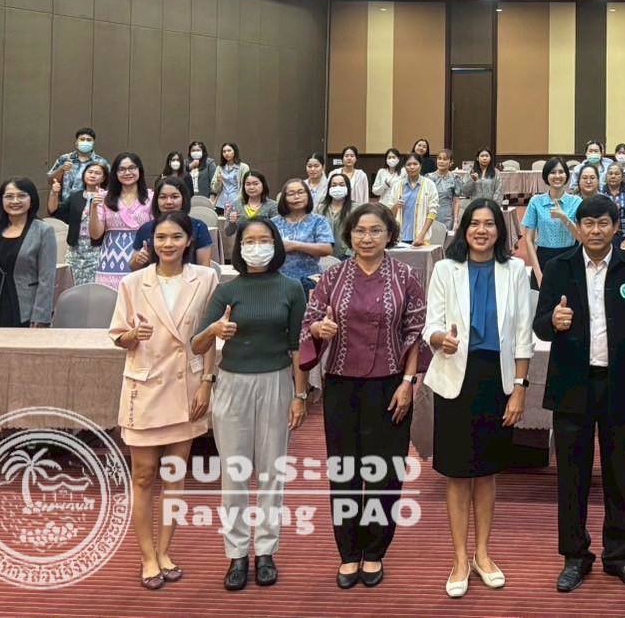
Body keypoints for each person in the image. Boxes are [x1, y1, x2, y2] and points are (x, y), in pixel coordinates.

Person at [534, 193, 625, 593]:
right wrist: (553, 320)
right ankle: (575, 556)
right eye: (588, 223)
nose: (595, 230)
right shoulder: (559, 268)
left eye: (603, 223)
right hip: (573, 384)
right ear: (578, 227)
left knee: (621, 474)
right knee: (572, 476)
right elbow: (539, 326)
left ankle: (620, 555)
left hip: (620, 386)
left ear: (616, 227)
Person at [300, 203, 427, 589]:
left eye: (375, 231)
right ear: (349, 235)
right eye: (359, 231)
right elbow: (309, 322)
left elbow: (415, 333)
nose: (366, 238)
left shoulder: (405, 276)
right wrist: (319, 329)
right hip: (342, 384)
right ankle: (348, 551)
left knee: (386, 471)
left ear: (389, 235)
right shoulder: (332, 276)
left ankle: (374, 550)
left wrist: (408, 383)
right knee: (344, 471)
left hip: (390, 385)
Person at [424, 198, 532, 598]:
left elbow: (523, 334)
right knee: (457, 473)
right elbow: (431, 325)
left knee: (486, 472)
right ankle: (459, 558)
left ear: (500, 231)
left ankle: (483, 554)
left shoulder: (515, 270)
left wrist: (519, 388)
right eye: (474, 223)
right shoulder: (445, 269)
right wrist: (441, 338)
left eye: (489, 224)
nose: (482, 230)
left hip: (496, 379)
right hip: (456, 376)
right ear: (463, 229)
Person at [195, 218, 307, 592]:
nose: (257, 246)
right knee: (235, 473)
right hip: (232, 383)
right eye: (249, 240)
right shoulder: (227, 289)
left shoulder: (292, 288)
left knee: (273, 472)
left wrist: (300, 395)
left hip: (276, 381)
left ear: (276, 244)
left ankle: (266, 551)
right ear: (239, 247)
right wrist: (215, 331)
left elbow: (297, 347)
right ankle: (237, 553)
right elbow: (196, 343)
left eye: (264, 239)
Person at [109, 211, 218, 589]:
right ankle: (147, 556)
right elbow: (118, 335)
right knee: (143, 475)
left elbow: (208, 337)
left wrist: (207, 382)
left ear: (189, 241)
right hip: (146, 386)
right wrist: (132, 336)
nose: (167, 244)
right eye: (160, 237)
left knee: (174, 474)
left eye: (175, 237)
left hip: (186, 387)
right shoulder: (132, 282)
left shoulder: (205, 278)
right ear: (151, 241)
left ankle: (165, 550)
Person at [0, 179, 58, 327]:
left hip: (26, 310)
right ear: (1, 200)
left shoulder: (43, 231)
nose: (15, 201)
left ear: (31, 199)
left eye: (21, 196)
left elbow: (47, 279)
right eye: (9, 196)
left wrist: (41, 316)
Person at [91, 152, 156, 289]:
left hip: (141, 260)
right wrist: (94, 208)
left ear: (139, 170)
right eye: (121, 169)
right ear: (115, 173)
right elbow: (96, 235)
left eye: (132, 168)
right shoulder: (104, 198)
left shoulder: (151, 198)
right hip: (109, 263)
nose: (127, 172)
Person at [129, 177, 215, 269]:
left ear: (183, 199)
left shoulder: (198, 227)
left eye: (175, 197)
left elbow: (204, 268)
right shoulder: (146, 229)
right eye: (163, 197)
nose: (169, 202)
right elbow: (133, 267)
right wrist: (138, 260)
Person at [519, 157, 582, 281]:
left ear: (566, 175)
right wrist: (538, 273)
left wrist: (564, 217)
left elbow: (581, 237)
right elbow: (529, 239)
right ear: (546, 176)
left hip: (570, 257)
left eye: (561, 172)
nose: (557, 176)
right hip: (543, 258)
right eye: (553, 172)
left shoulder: (576, 201)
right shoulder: (536, 201)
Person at [52, 159, 108, 286]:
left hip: (97, 250)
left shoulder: (107, 197)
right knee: (72, 286)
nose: (92, 175)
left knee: (93, 288)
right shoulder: (75, 196)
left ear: (104, 178)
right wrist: (54, 193)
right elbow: (55, 211)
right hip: (75, 250)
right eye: (90, 172)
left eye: (97, 173)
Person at [272, 178, 334, 291]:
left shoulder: (318, 221)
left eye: (301, 192)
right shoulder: (274, 222)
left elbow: (327, 249)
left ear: (308, 195)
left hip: (309, 280)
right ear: (284, 198)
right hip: (279, 280)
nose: (297, 197)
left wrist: (295, 245)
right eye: (291, 194)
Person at [46, 126, 110, 207]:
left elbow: (109, 186)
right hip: (65, 206)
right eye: (82, 139)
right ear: (76, 142)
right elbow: (50, 181)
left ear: (93, 143)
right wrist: (61, 169)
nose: (85, 142)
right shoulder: (65, 158)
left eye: (89, 140)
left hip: (90, 206)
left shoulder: (101, 162)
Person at [387, 152, 439, 246]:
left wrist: (421, 235)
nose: (412, 167)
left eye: (415, 164)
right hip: (400, 238)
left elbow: (432, 212)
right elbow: (389, 214)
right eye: (408, 164)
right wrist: (395, 206)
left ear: (420, 166)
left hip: (421, 238)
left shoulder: (429, 185)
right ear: (404, 167)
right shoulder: (397, 186)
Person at [429, 148, 473, 233]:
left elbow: (456, 201)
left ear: (451, 162)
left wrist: (456, 220)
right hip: (430, 214)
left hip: (447, 216)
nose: (441, 161)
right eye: (439, 158)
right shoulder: (428, 178)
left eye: (445, 159)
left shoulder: (455, 178)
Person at [602, 160, 625, 250]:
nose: (613, 176)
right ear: (606, 176)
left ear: (622, 177)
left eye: (617, 174)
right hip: (605, 237)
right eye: (610, 173)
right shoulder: (600, 193)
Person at [319, 170, 354, 259]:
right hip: (323, 255)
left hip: (347, 255)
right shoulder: (320, 208)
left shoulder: (356, 209)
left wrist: (349, 252)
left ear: (348, 188)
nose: (337, 188)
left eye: (342, 185)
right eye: (334, 185)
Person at [214, 143, 249, 213]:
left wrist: (237, 202)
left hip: (237, 202)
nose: (226, 153)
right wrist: (218, 181)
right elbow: (215, 189)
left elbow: (245, 187)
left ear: (235, 151)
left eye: (229, 150)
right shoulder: (219, 168)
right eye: (224, 151)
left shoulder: (243, 167)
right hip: (221, 203)